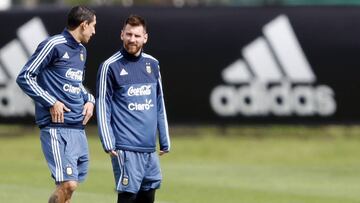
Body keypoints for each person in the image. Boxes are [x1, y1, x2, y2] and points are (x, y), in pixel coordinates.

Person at [16, 6, 96, 203]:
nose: (94, 31)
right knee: (69, 183)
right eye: (93, 26)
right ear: (83, 25)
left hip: (77, 128)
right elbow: (25, 76)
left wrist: (90, 100)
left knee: (67, 188)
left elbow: (75, 85)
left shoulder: (82, 51)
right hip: (56, 127)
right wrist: (51, 101)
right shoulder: (53, 45)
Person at [96, 14, 171, 203]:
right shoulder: (109, 66)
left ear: (145, 38)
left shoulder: (152, 64)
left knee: (148, 196)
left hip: (149, 148)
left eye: (137, 36)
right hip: (125, 147)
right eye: (128, 34)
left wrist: (164, 138)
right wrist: (108, 140)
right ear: (121, 35)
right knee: (129, 197)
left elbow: (159, 103)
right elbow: (102, 105)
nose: (132, 39)